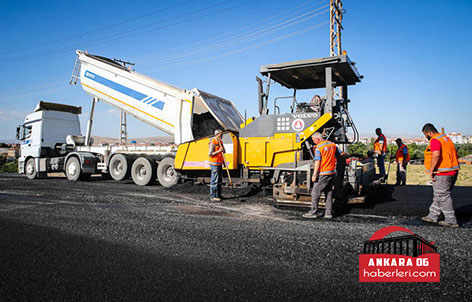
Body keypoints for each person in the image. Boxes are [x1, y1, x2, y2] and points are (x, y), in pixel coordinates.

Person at [421, 123, 459, 228]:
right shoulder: (446, 139)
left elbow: (436, 155)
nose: (425, 137)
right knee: (439, 194)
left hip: (442, 172)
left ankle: (451, 220)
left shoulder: (435, 140)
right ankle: (432, 216)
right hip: (452, 170)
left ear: (429, 132)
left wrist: (431, 170)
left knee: (443, 196)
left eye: (425, 134)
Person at [303, 132, 347, 219]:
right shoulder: (332, 144)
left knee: (315, 193)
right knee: (329, 193)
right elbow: (341, 154)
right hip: (331, 172)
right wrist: (348, 155)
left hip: (323, 173)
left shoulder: (319, 148)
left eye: (313, 140)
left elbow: (317, 161)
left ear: (318, 139)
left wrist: (314, 174)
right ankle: (328, 213)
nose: (313, 141)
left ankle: (313, 212)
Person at [209, 129, 225, 202]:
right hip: (214, 164)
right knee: (214, 180)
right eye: (221, 135)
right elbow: (210, 154)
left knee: (219, 180)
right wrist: (219, 151)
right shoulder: (213, 142)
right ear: (217, 135)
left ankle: (218, 194)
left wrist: (223, 162)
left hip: (219, 163)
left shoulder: (220, 142)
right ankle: (213, 196)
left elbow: (222, 152)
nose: (222, 136)